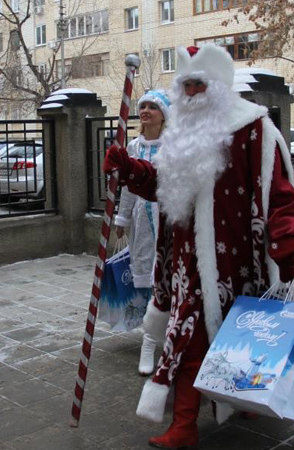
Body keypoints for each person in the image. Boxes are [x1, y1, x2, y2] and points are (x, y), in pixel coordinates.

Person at [103, 44, 294, 449]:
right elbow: (163, 186)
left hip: (239, 259)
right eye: (186, 85)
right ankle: (184, 424)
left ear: (217, 86)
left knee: (240, 335)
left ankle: (243, 399)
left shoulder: (254, 128)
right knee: (189, 338)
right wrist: (130, 170)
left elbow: (279, 192)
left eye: (199, 84)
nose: (192, 92)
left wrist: (287, 243)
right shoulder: (180, 133)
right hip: (185, 261)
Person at [113, 90, 172, 376]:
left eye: (153, 106)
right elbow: (127, 186)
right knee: (148, 282)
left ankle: (169, 342)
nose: (146, 110)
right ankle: (148, 345)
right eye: (143, 106)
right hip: (142, 226)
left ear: (164, 114)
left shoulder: (174, 146)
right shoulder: (133, 147)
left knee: (167, 282)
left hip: (168, 224)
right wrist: (122, 218)